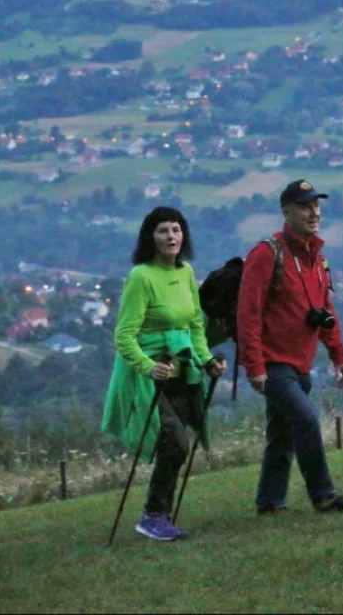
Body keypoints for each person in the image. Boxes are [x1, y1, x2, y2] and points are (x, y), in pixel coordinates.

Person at [101, 206, 226, 541]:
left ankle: (159, 515)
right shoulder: (141, 277)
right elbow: (123, 336)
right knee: (175, 440)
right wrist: (148, 366)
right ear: (150, 238)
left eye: (176, 229)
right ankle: (153, 516)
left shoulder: (185, 272)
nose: (171, 236)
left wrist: (206, 360)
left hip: (182, 371)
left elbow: (195, 324)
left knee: (176, 444)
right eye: (163, 231)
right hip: (147, 375)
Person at [237, 179, 343, 515]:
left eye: (316, 205)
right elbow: (248, 313)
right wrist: (254, 365)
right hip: (274, 362)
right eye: (305, 206)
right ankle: (323, 493)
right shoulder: (265, 254)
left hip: (301, 362)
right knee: (306, 419)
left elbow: (325, 312)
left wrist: (338, 355)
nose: (313, 212)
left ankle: (270, 503)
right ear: (286, 213)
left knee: (282, 435)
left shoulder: (317, 256)